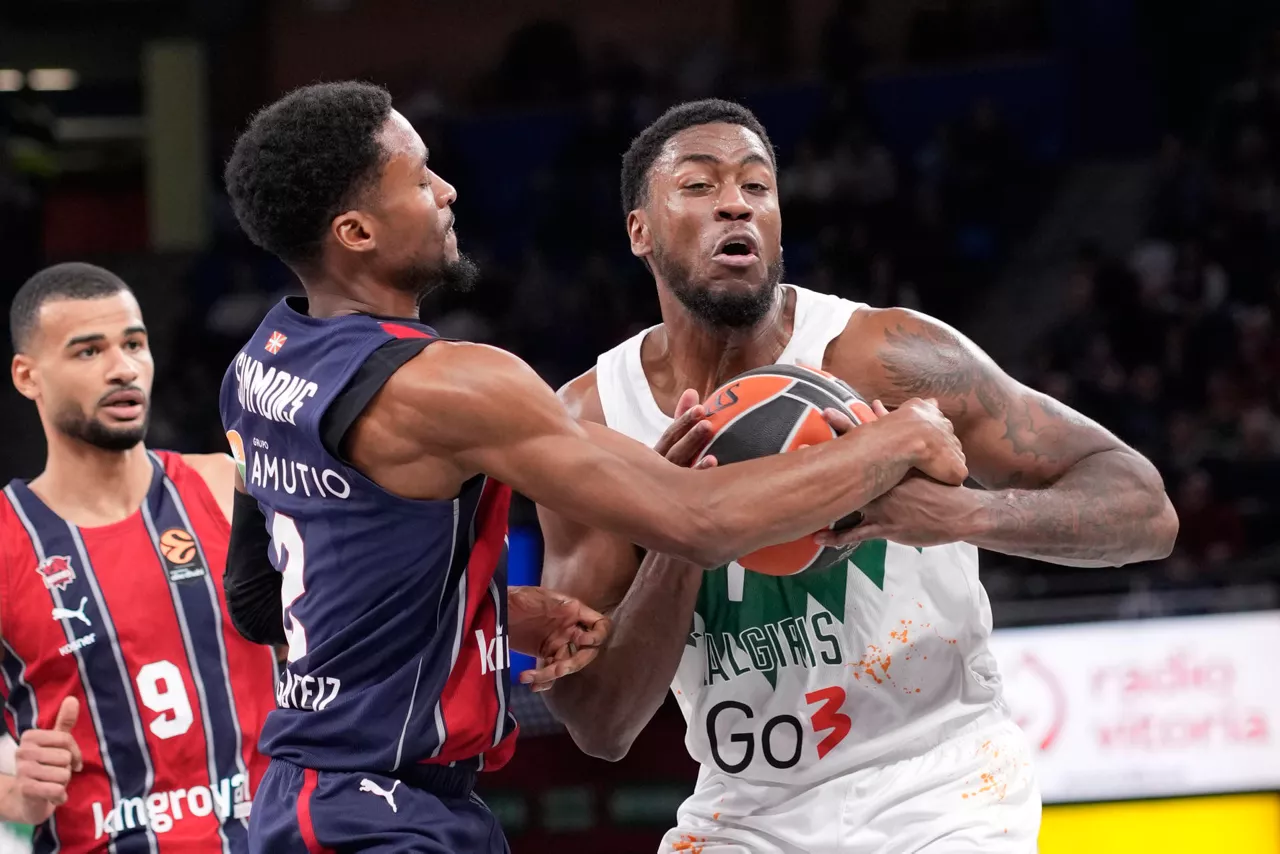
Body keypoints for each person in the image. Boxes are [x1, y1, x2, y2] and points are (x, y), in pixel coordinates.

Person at [217, 81, 968, 854]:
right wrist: (896, 439)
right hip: (377, 812)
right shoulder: (447, 385)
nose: (447, 190)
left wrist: (493, 616)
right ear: (356, 231)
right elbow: (699, 522)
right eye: (419, 178)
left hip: (316, 796)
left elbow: (256, 598)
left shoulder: (256, 371)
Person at [539, 99, 1180, 854]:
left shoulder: (888, 355)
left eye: (757, 185)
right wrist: (680, 530)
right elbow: (600, 725)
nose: (737, 204)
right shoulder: (593, 420)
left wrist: (964, 517)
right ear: (640, 231)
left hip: (940, 788)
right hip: (744, 811)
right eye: (700, 186)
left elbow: (1145, 509)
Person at [0, 263, 278, 853]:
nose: (123, 368)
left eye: (134, 344)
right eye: (87, 352)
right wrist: (12, 794)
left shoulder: (232, 488)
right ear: (27, 377)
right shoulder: (7, 541)